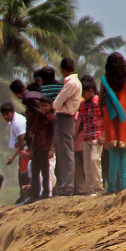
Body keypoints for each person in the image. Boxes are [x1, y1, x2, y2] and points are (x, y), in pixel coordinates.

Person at [99, 52, 126, 194]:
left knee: (114, 153)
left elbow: (100, 102)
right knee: (122, 153)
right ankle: (123, 187)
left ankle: (111, 188)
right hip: (125, 116)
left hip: (111, 116)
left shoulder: (104, 80)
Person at [52, 57, 82, 196]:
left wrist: (60, 104)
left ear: (63, 70)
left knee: (66, 152)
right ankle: (65, 184)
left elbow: (57, 103)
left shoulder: (71, 83)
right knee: (63, 152)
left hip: (65, 118)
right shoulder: (75, 82)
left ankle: (67, 186)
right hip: (66, 118)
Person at [74, 75, 104, 195]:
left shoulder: (98, 102)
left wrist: (104, 135)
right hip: (86, 137)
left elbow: (104, 118)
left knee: (94, 160)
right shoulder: (83, 104)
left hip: (96, 136)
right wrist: (77, 135)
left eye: (84, 92)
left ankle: (98, 188)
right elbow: (82, 120)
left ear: (90, 90)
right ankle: (89, 188)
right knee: (87, 164)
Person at [1, 102, 30, 204]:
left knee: (24, 173)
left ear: (12, 112)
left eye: (7, 114)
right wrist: (13, 158)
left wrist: (17, 147)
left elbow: (22, 142)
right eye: (4, 115)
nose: (5, 117)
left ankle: (26, 196)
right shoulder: (13, 121)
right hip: (23, 150)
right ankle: (23, 196)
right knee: (22, 173)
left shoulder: (17, 122)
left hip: (26, 151)